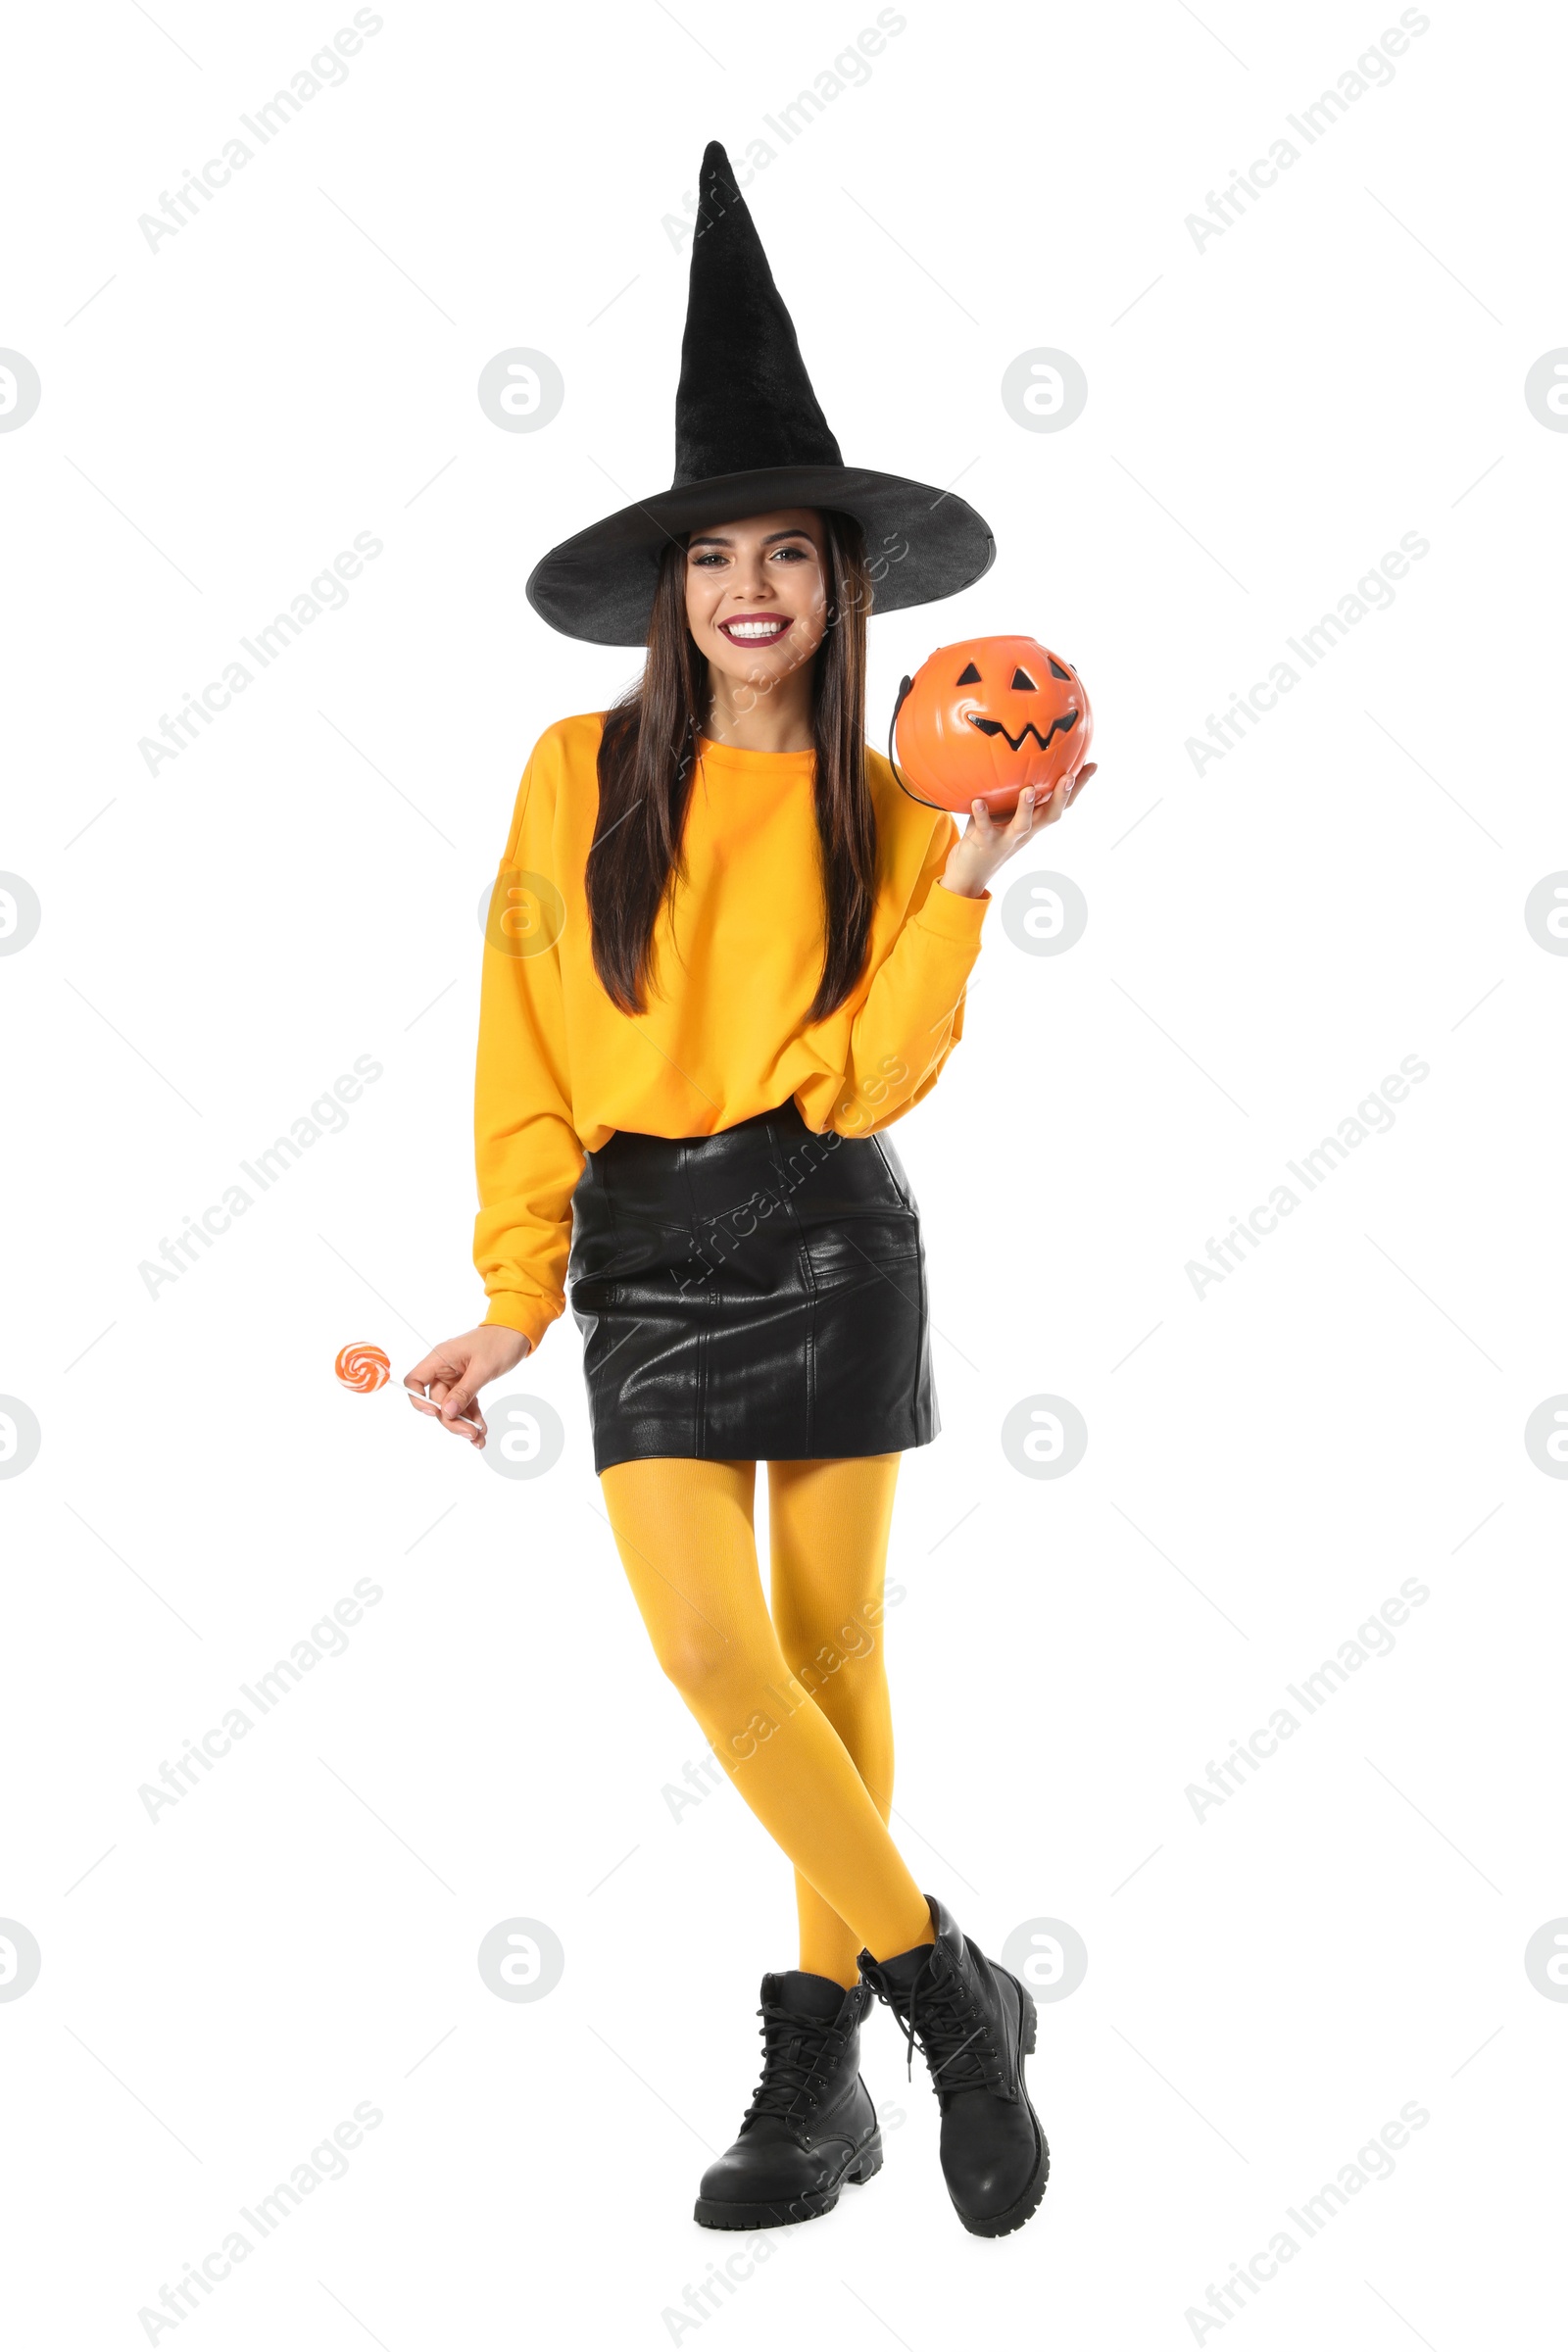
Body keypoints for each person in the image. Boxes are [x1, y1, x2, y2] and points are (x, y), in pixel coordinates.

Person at [404, 144, 1093, 2239]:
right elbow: (522, 1043)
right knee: (713, 1650)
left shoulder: (894, 800)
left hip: (826, 1229)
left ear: (840, 584)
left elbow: (881, 1069)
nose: (752, 589)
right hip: (639, 1255)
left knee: (821, 1639)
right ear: (674, 590)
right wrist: (514, 1287)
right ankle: (949, 1997)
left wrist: (964, 887)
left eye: (789, 551)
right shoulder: (567, 774)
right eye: (718, 556)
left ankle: (818, 2070)